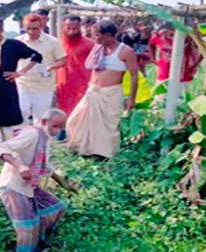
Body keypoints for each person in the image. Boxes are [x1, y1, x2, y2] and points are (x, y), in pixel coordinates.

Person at [0, 109, 69, 252]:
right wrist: (20, 166)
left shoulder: (45, 137)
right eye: (55, 126)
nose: (57, 131)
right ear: (43, 122)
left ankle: (38, 244)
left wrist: (64, 184)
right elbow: (0, 148)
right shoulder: (33, 134)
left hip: (29, 186)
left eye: (61, 127)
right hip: (13, 186)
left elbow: (45, 165)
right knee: (27, 226)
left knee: (57, 207)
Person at [65, 21, 139, 159]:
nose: (95, 38)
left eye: (97, 35)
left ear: (108, 35)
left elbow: (134, 75)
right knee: (75, 121)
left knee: (108, 127)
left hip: (111, 93)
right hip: (93, 91)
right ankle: (81, 148)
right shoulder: (98, 48)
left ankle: (104, 155)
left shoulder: (125, 51)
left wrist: (131, 98)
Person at [0, 17, 42, 158]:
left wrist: (19, 73)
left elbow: (36, 56)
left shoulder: (13, 45)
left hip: (6, 87)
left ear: (0, 29)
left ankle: (11, 150)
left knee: (8, 117)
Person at [15, 12, 66, 124]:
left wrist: (50, 67)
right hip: (22, 83)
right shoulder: (18, 41)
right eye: (28, 28)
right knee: (21, 111)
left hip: (43, 87)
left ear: (41, 26)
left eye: (35, 28)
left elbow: (62, 61)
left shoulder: (52, 42)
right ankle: (22, 139)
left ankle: (39, 140)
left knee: (40, 120)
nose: (31, 32)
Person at [56, 15, 95, 117]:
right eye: (69, 28)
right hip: (62, 87)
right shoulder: (56, 45)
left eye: (75, 29)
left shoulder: (90, 45)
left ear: (79, 27)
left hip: (82, 86)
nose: (72, 32)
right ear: (63, 27)